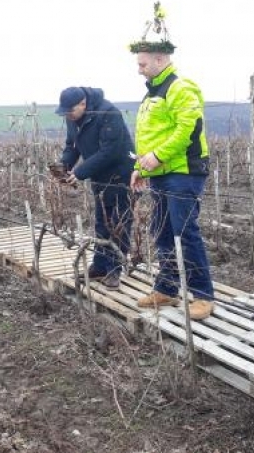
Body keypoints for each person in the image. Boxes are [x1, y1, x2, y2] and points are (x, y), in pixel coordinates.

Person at [130, 48, 214, 321]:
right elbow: (151, 136)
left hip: (184, 171)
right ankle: (167, 288)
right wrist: (140, 167)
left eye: (142, 64)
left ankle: (203, 296)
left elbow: (188, 128)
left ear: (159, 60)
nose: (139, 69)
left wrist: (157, 157)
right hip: (161, 172)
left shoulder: (180, 87)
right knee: (162, 229)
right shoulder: (152, 93)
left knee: (185, 231)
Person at [54, 86, 135, 290]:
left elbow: (111, 151)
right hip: (99, 175)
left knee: (119, 222)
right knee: (101, 221)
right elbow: (72, 145)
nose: (67, 115)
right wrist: (64, 166)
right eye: (64, 112)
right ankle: (100, 266)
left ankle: (114, 269)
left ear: (83, 104)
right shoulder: (73, 118)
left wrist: (80, 172)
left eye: (70, 111)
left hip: (120, 174)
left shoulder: (108, 113)